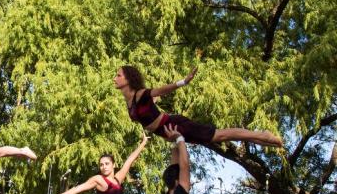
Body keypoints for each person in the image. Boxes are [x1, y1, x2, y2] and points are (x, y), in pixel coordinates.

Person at [115, 65, 283, 147]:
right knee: (219, 138)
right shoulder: (129, 102)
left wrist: (183, 82)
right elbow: (152, 107)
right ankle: (265, 140)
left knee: (220, 135)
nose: (115, 78)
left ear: (128, 79)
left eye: (118, 75)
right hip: (170, 133)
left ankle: (261, 135)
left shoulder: (140, 94)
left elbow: (161, 90)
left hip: (174, 125)